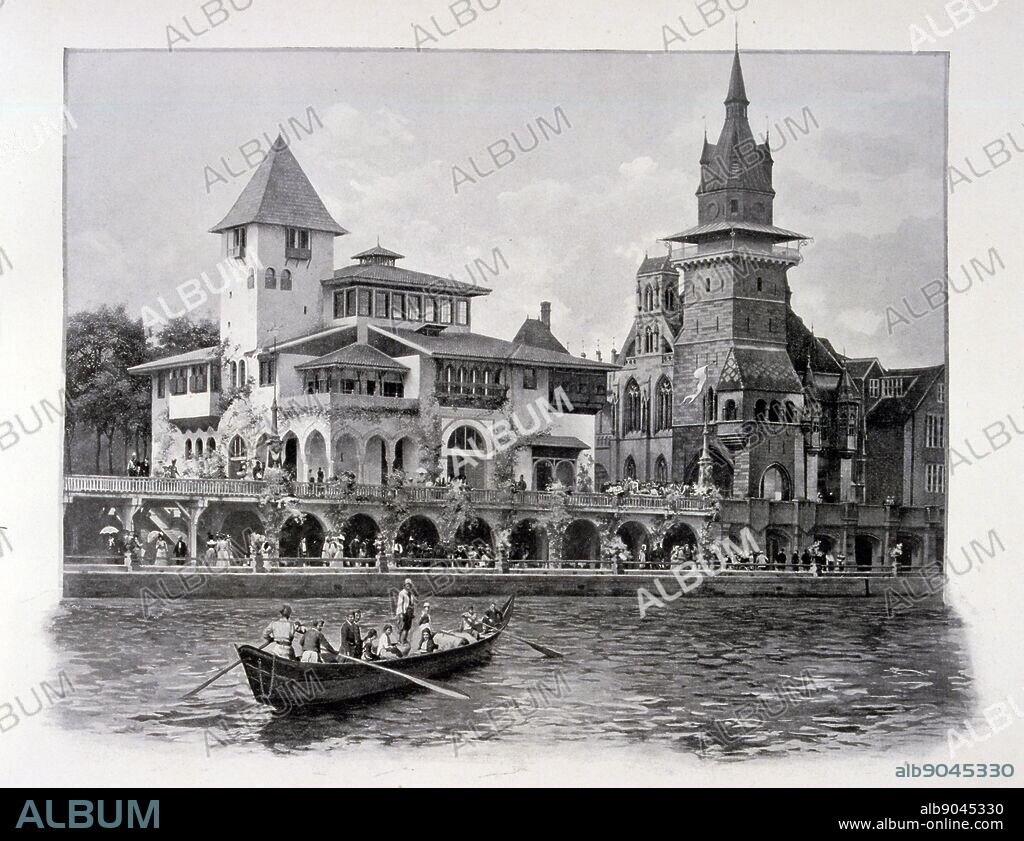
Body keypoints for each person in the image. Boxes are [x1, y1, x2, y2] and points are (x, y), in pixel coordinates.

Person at [395, 579, 415, 645]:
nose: (408, 586)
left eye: (409, 585)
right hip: (404, 613)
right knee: (404, 627)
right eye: (407, 585)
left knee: (408, 627)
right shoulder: (402, 593)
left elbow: (411, 603)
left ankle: (404, 640)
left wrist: (412, 613)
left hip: (409, 612)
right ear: (404, 586)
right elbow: (400, 604)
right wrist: (400, 613)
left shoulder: (410, 593)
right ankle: (401, 641)